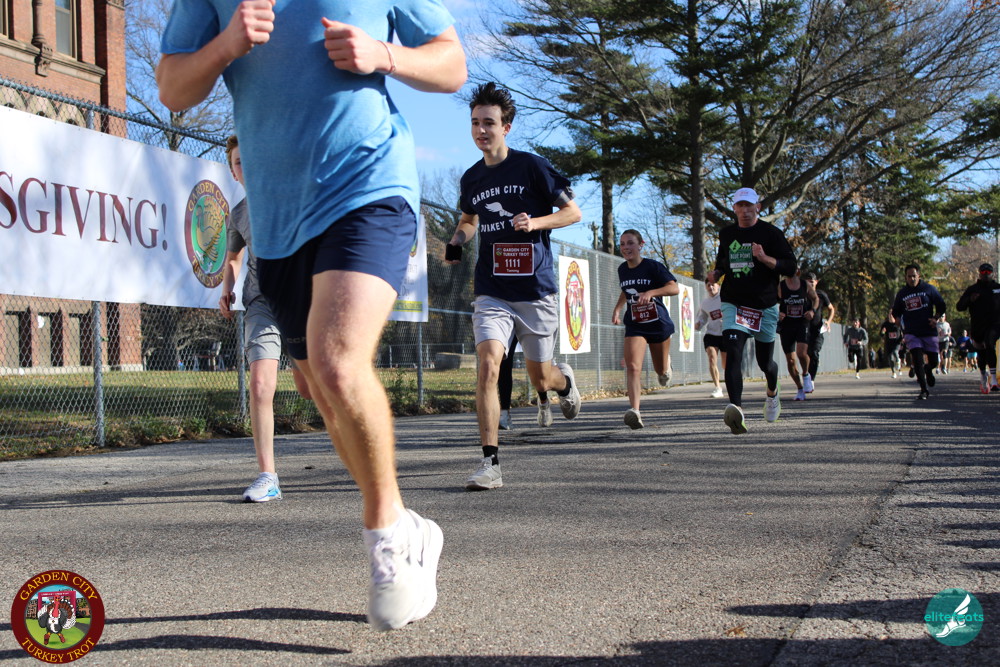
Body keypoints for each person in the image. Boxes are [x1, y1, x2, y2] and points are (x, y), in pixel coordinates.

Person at [158, 0, 466, 631]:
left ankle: (387, 536)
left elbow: (452, 64)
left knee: (337, 362)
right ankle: (410, 528)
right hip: (277, 226)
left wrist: (384, 55)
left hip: (368, 185)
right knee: (321, 389)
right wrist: (226, 45)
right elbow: (171, 87)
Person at [445, 82, 582, 490]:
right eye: (475, 122)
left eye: (489, 123)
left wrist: (535, 222)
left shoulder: (532, 167)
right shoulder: (472, 178)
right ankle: (490, 463)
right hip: (492, 289)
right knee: (489, 363)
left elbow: (572, 213)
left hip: (535, 291)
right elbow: (469, 220)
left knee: (541, 379)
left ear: (506, 126)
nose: (480, 130)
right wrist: (457, 240)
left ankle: (564, 382)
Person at [219, 134, 285, 502]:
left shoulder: (290, 196)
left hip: (305, 304)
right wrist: (227, 287)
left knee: (323, 387)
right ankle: (267, 476)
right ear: (234, 172)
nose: (247, 166)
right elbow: (233, 258)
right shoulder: (239, 213)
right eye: (239, 162)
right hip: (261, 303)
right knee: (260, 385)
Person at [706, 187, 797, 434]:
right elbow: (723, 261)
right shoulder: (727, 233)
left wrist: (765, 258)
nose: (745, 210)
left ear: (758, 207)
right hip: (734, 302)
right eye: (740, 206)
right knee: (733, 350)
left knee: (765, 363)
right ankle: (736, 409)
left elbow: (791, 267)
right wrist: (717, 273)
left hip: (764, 305)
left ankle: (772, 391)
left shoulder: (771, 233)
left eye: (749, 205)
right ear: (734, 208)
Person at [611, 229, 679, 429]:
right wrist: (617, 309)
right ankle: (635, 411)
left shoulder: (653, 266)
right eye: (622, 244)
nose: (626, 248)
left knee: (661, 372)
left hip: (657, 323)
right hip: (635, 323)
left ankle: (666, 366)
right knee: (633, 367)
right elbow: (626, 291)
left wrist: (651, 292)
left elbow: (674, 288)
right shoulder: (622, 269)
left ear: (641, 245)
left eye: (630, 243)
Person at [890, 264, 946, 399]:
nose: (912, 279)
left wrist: (935, 318)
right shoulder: (902, 293)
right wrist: (897, 319)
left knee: (934, 361)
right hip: (912, 332)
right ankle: (923, 390)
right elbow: (896, 311)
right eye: (909, 276)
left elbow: (941, 305)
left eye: (914, 276)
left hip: (928, 330)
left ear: (919, 275)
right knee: (917, 360)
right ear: (905, 277)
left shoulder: (929, 289)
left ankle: (929, 369)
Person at [955, 262, 1000, 393]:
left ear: (992, 274)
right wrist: (970, 299)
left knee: (989, 343)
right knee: (982, 352)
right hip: (978, 326)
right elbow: (959, 307)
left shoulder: (997, 288)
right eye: (983, 272)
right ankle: (983, 375)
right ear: (979, 274)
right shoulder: (973, 289)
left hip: (995, 325)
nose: (986, 275)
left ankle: (994, 380)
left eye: (988, 272)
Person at [777, 270, 819, 400]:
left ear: (798, 271)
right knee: (790, 360)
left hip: (802, 322)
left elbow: (815, 299)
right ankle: (800, 388)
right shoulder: (781, 286)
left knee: (801, 353)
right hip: (787, 324)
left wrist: (812, 311)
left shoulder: (804, 285)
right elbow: (772, 301)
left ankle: (806, 374)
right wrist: (777, 313)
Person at [695, 278, 726, 399]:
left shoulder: (725, 297)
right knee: (712, 358)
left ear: (718, 286)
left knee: (726, 364)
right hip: (711, 334)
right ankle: (717, 387)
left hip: (725, 333)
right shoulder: (705, 303)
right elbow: (702, 317)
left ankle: (730, 383)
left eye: (713, 285)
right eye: (708, 285)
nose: (711, 287)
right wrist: (698, 324)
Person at [803, 271, 834, 393]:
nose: (811, 283)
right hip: (804, 329)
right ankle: (806, 377)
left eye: (812, 281)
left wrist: (829, 322)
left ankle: (811, 380)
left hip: (818, 330)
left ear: (816, 282)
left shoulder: (821, 294)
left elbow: (831, 309)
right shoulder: (801, 295)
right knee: (806, 355)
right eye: (808, 281)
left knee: (814, 353)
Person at [497, 332, 518, 430]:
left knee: (541, 379)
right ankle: (504, 413)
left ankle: (543, 399)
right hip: (505, 323)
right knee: (505, 360)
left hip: (529, 323)